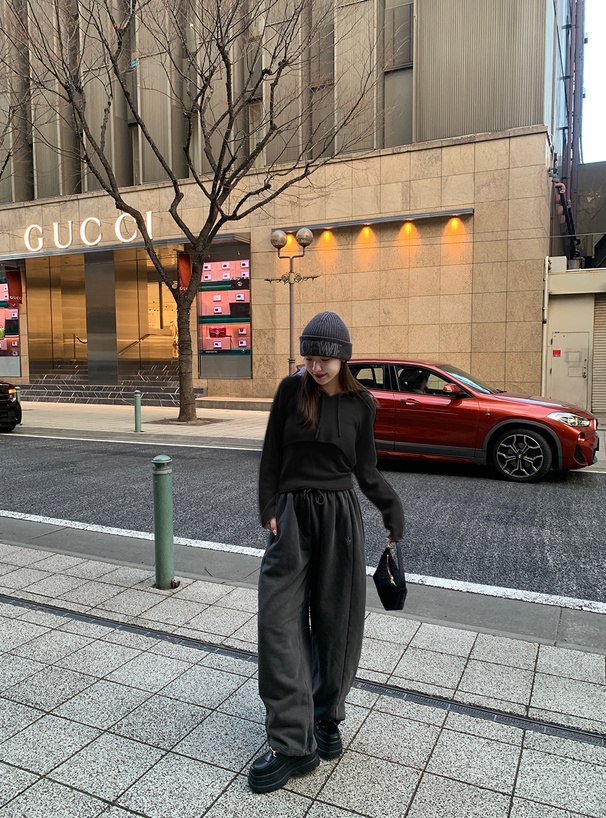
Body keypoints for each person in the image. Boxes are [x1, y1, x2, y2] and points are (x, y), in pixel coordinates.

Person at [249, 311, 404, 794]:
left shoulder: (361, 404)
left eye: (325, 360)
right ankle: (291, 745)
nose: (316, 367)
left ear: (343, 359)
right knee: (278, 622)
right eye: (310, 358)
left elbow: (367, 469)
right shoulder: (289, 392)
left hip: (340, 518)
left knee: (338, 622)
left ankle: (326, 717)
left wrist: (391, 510)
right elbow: (272, 454)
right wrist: (269, 507)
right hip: (292, 517)